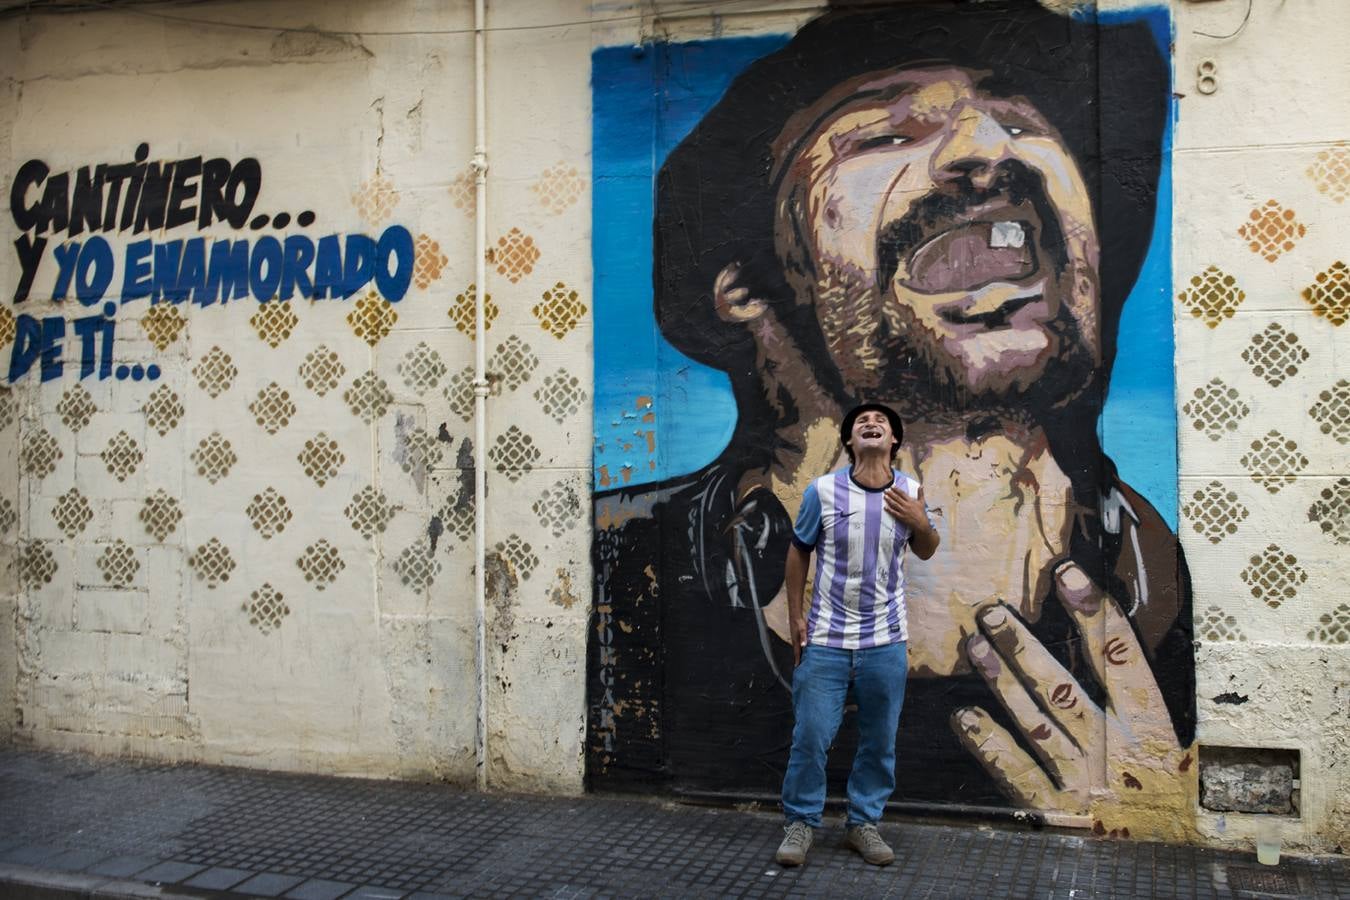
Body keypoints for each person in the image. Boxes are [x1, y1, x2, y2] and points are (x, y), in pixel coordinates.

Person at [590, 1, 1194, 837]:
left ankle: (861, 821)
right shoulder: (625, 564)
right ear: (747, 285)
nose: (988, 147)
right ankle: (809, 825)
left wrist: (1164, 818)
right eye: (884, 134)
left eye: (1021, 118)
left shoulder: (1164, 585)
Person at [775, 402, 937, 868]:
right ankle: (802, 822)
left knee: (879, 740)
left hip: (885, 641)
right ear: (849, 440)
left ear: (894, 442)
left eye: (881, 423)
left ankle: (863, 823)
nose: (871, 424)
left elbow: (926, 550)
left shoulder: (910, 490)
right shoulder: (822, 492)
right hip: (825, 639)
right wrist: (795, 617)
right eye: (862, 422)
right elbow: (797, 552)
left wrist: (919, 520)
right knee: (810, 733)